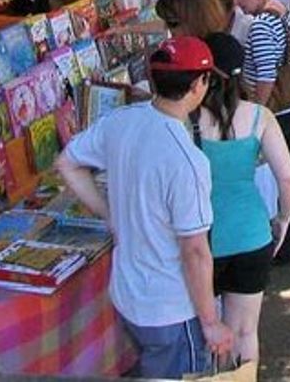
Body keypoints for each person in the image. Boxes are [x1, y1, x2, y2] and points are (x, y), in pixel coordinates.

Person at [55, 37, 233, 377]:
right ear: (198, 85)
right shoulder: (187, 160)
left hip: (128, 296)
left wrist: (110, 214)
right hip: (172, 309)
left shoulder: (121, 121)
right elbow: (195, 249)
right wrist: (211, 322)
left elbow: (68, 163)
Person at [194, 33, 290, 366]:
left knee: (205, 333)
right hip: (250, 234)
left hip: (199, 239)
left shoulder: (186, 120)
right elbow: (288, 178)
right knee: (245, 332)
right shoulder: (259, 116)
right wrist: (283, 219)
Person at [229, 0, 290, 266]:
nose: (238, 4)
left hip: (274, 108)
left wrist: (258, 113)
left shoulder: (261, 26)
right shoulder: (284, 12)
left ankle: (284, 242)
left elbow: (266, 76)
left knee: (279, 176)